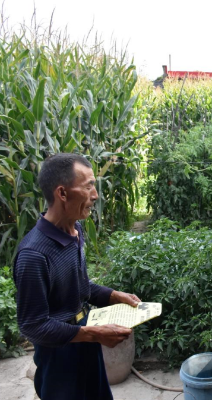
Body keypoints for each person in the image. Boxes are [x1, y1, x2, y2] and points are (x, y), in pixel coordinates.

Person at [13, 153, 142, 400]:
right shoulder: (33, 255)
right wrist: (94, 334)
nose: (96, 195)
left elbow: (81, 287)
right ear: (62, 193)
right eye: (89, 186)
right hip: (58, 355)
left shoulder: (75, 230)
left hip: (85, 336)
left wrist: (115, 296)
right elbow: (33, 325)